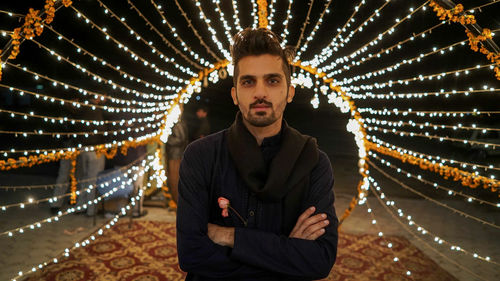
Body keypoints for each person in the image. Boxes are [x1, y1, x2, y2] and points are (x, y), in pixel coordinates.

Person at [176, 28, 338, 280]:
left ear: (290, 91)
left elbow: (320, 260)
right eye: (248, 81)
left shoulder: (314, 162)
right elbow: (191, 254)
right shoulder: (201, 156)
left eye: (272, 80)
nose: (260, 92)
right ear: (235, 94)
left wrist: (229, 236)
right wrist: (287, 251)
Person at [165, 106, 189, 203]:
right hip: (176, 154)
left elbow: (181, 139)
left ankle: (176, 201)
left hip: (175, 155)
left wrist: (167, 139)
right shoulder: (178, 123)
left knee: (174, 180)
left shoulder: (177, 124)